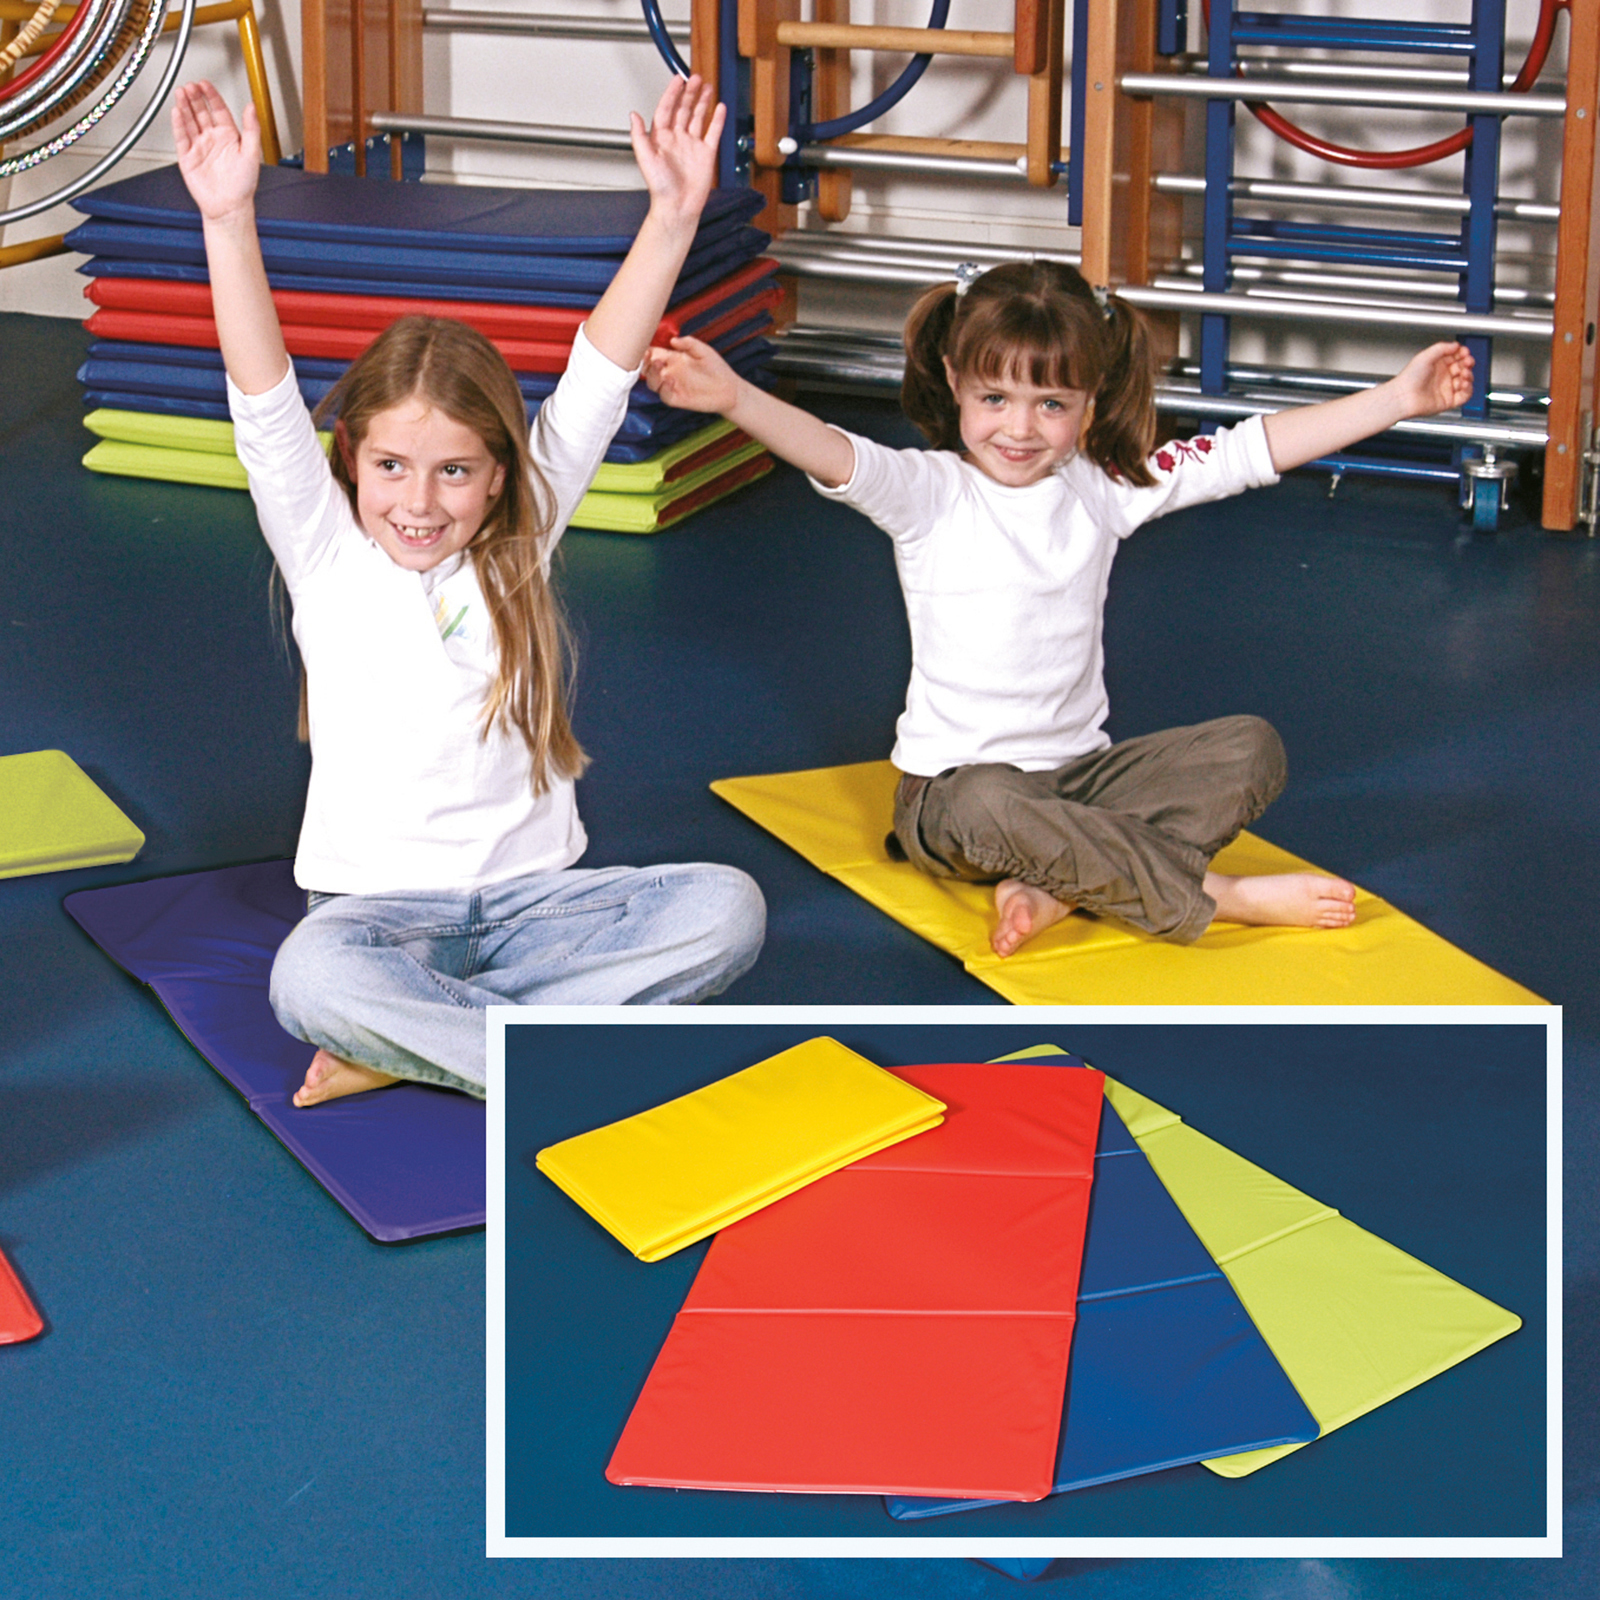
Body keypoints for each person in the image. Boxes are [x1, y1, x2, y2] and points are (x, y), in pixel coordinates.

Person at [171, 76, 765, 1105]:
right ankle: (528, 1047)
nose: (418, 501)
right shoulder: (327, 553)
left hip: (538, 908)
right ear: (352, 461)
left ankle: (417, 1041)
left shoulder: (516, 543)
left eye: (453, 471)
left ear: (498, 475)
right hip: (377, 919)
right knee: (310, 978)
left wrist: (672, 219)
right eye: (391, 467)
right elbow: (263, 404)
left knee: (729, 907)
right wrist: (228, 219)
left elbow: (598, 380)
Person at [644, 258, 1474, 958]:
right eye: (994, 399)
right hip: (955, 802)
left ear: (1090, 402)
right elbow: (834, 452)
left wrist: (1396, 399)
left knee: (1250, 749)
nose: (1020, 429)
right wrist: (733, 397)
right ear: (954, 382)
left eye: (1051, 405)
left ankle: (1055, 886)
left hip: (1082, 786)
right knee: (990, 802)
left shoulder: (1103, 489)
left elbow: (1245, 453)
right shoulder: (929, 494)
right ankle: (1215, 896)